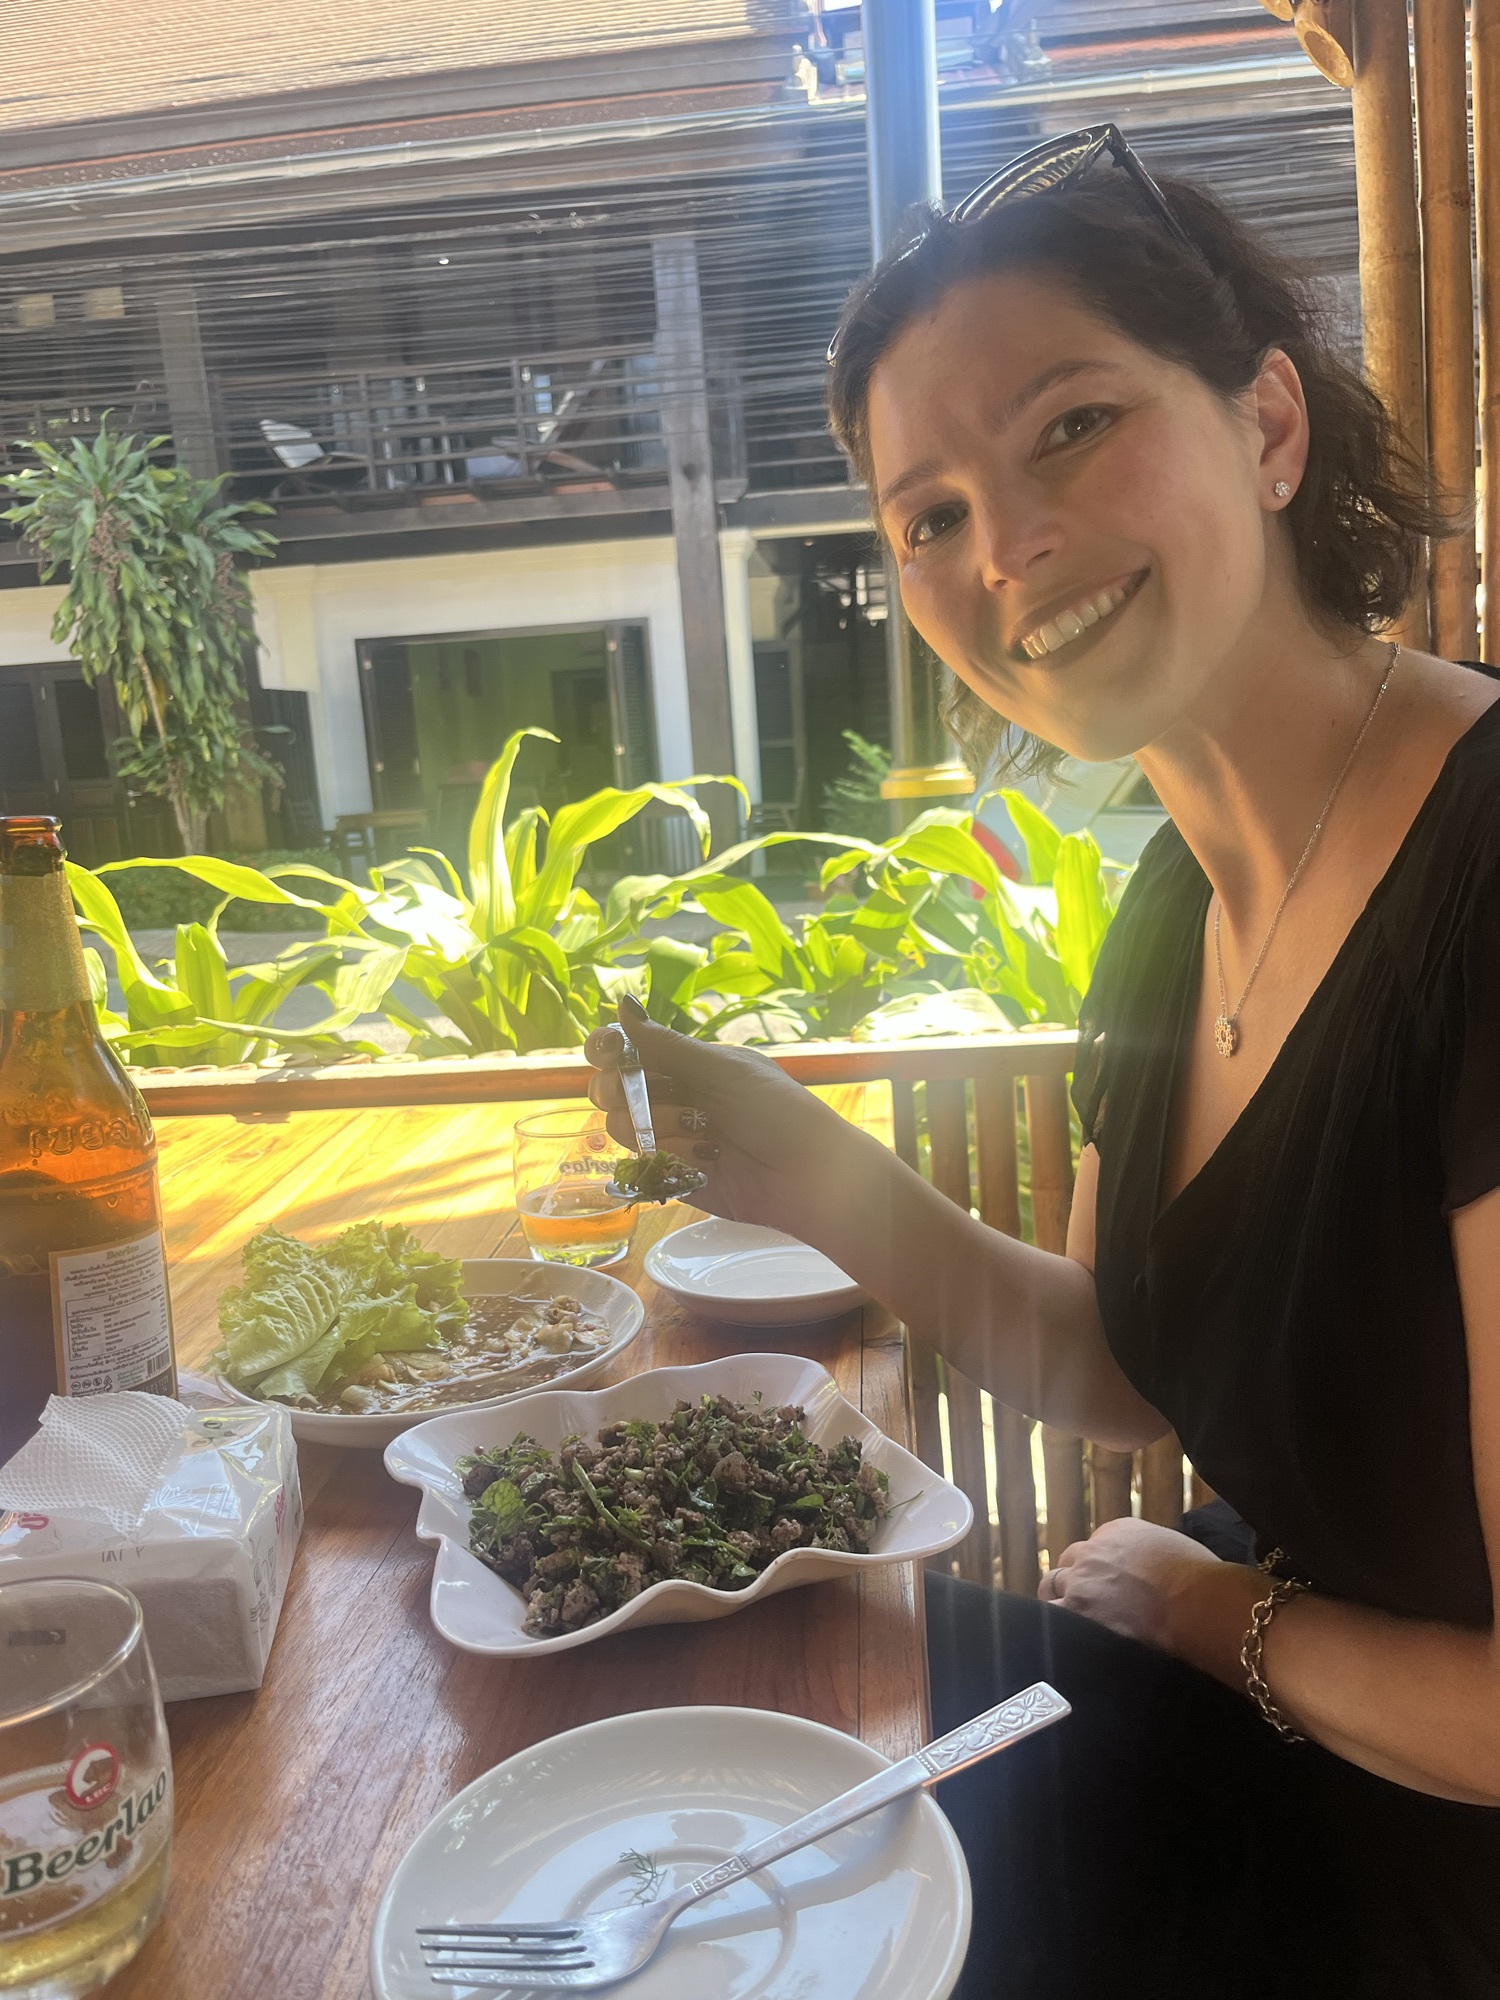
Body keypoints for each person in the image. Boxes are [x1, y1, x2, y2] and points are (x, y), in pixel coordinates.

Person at [586, 126, 1500, 1998]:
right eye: (927, 517)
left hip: (1431, 1862)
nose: (1006, 547)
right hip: (1270, 1725)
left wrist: (1216, 1613)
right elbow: (1122, 1365)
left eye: (1072, 426)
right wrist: (804, 1168)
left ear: (1266, 425)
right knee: (698, 1766)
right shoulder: (1171, 908)